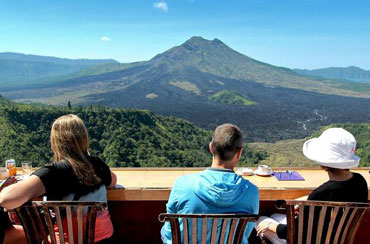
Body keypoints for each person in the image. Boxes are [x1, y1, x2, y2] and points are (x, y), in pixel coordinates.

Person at [0, 114, 117, 243]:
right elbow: (113, 182)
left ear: (55, 141)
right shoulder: (98, 164)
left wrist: (6, 187)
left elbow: (5, 200)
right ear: (84, 138)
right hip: (104, 241)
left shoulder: (52, 172)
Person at [256, 128, 368, 244]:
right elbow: (335, 194)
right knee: (275, 215)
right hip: (339, 240)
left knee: (262, 220)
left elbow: (292, 232)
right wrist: (305, 201)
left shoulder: (321, 193)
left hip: (306, 239)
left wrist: (268, 225)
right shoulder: (360, 181)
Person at [161, 123, 259, 244]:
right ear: (239, 153)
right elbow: (245, 234)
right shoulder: (251, 192)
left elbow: (169, 233)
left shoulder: (182, 184)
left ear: (211, 148)